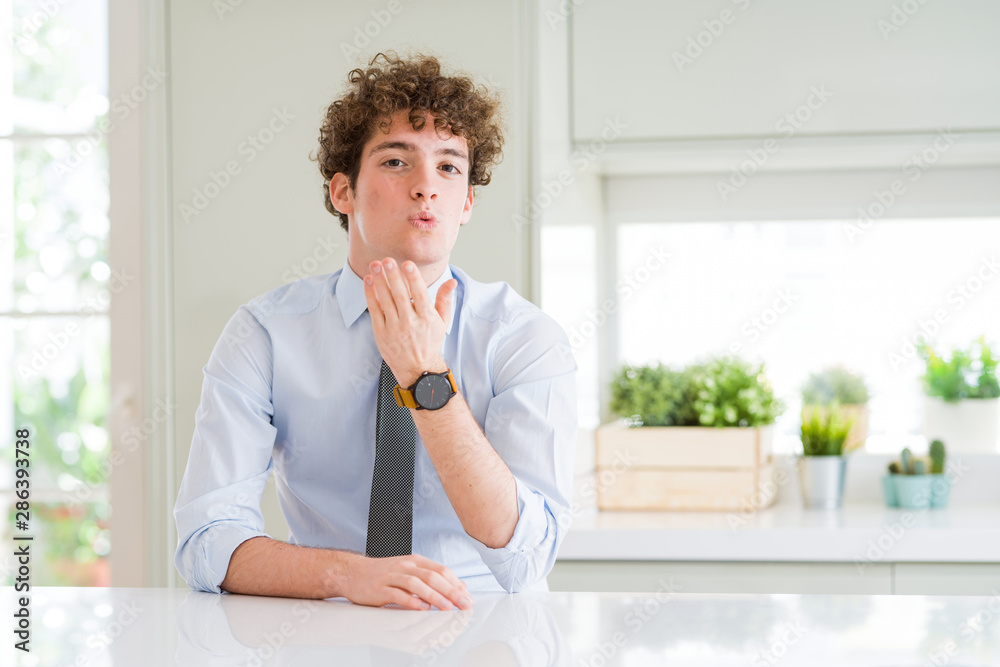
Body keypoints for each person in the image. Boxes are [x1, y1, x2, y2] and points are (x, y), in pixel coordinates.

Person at [173, 52, 578, 611]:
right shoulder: (263, 334)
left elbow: (526, 554)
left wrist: (424, 376)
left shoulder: (524, 339)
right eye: (395, 162)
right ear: (343, 192)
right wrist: (346, 575)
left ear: (467, 204)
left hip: (486, 630)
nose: (425, 188)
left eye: (449, 167)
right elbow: (205, 543)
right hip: (322, 630)